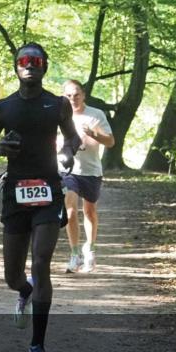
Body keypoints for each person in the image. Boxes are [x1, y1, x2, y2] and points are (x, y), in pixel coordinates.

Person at [0, 43, 81, 352]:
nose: (30, 65)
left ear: (45, 67)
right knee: (12, 275)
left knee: (41, 262)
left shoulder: (58, 105)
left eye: (36, 61)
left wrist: (68, 152)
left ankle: (37, 348)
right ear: (15, 67)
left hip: (48, 189)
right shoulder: (4, 107)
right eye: (24, 60)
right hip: (15, 193)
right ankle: (23, 292)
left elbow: (73, 138)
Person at [61, 80, 115, 273]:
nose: (73, 99)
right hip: (67, 170)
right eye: (68, 96)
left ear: (83, 95)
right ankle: (74, 254)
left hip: (91, 170)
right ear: (63, 97)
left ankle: (90, 249)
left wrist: (94, 134)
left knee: (90, 211)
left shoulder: (96, 114)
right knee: (70, 211)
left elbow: (110, 142)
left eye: (76, 95)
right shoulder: (59, 114)